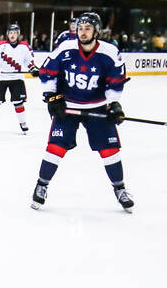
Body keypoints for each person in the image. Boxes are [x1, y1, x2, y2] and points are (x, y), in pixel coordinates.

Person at [31, 12, 133, 213]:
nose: (83, 32)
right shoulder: (66, 48)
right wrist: (52, 97)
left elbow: (115, 82)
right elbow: (47, 73)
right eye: (80, 28)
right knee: (55, 147)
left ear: (96, 31)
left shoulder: (109, 52)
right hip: (68, 106)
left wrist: (114, 105)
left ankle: (120, 189)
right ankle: (41, 185)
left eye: (87, 28)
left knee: (110, 150)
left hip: (97, 106)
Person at [0, 22, 37, 134]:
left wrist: (33, 69)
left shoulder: (25, 47)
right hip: (1, 77)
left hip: (17, 78)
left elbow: (29, 62)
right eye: (11, 33)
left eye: (15, 33)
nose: (12, 35)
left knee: (18, 102)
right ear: (7, 34)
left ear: (18, 34)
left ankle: (23, 123)